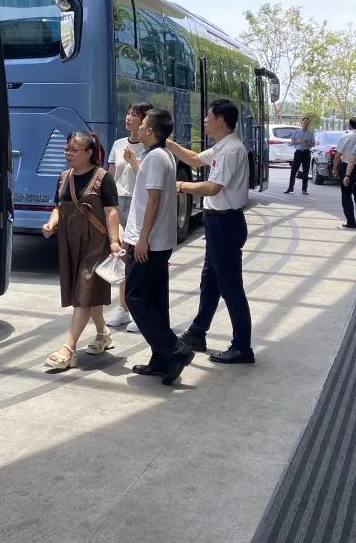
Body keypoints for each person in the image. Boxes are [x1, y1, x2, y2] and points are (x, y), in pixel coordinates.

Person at [168, 99, 254, 364]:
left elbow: (213, 188)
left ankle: (242, 346)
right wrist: (167, 143)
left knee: (230, 287)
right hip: (217, 223)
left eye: (208, 116)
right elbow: (195, 159)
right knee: (210, 282)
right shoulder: (222, 146)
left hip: (226, 224)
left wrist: (179, 185)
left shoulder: (231, 150)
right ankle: (197, 332)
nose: (204, 120)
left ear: (220, 120)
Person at [124, 109, 195, 385]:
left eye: (143, 123)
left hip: (148, 243)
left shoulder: (155, 157)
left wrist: (142, 238)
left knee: (136, 298)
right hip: (159, 241)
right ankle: (161, 358)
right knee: (155, 300)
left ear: (151, 130)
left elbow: (153, 200)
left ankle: (176, 351)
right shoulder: (162, 156)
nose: (139, 127)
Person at [41, 132, 122, 370]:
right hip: (70, 242)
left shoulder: (103, 178)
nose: (68, 154)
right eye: (67, 149)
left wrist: (114, 241)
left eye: (74, 150)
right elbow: (59, 207)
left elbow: (111, 212)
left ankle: (68, 348)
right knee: (87, 292)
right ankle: (103, 333)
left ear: (89, 153)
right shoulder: (63, 177)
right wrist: (51, 224)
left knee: (84, 291)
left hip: (95, 243)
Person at [105, 102, 153, 330]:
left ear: (144, 121)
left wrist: (134, 160)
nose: (128, 118)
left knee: (139, 258)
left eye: (134, 115)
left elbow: (148, 180)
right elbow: (111, 176)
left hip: (138, 203)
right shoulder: (118, 144)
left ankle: (139, 309)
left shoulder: (150, 149)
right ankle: (123, 307)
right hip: (119, 202)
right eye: (128, 113)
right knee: (122, 256)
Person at [333, 118, 356, 230]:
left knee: (346, 195)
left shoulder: (346, 137)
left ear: (350, 125)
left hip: (346, 167)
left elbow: (338, 155)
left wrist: (335, 168)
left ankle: (351, 221)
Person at [284, 116, 315, 195]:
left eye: (308, 122)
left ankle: (304, 189)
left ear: (309, 124)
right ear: (301, 123)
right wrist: (299, 142)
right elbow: (291, 142)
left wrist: (307, 142)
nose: (306, 124)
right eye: (305, 122)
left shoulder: (311, 133)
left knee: (305, 172)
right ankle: (290, 188)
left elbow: (313, 144)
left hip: (306, 153)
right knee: (293, 171)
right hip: (298, 152)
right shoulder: (296, 132)